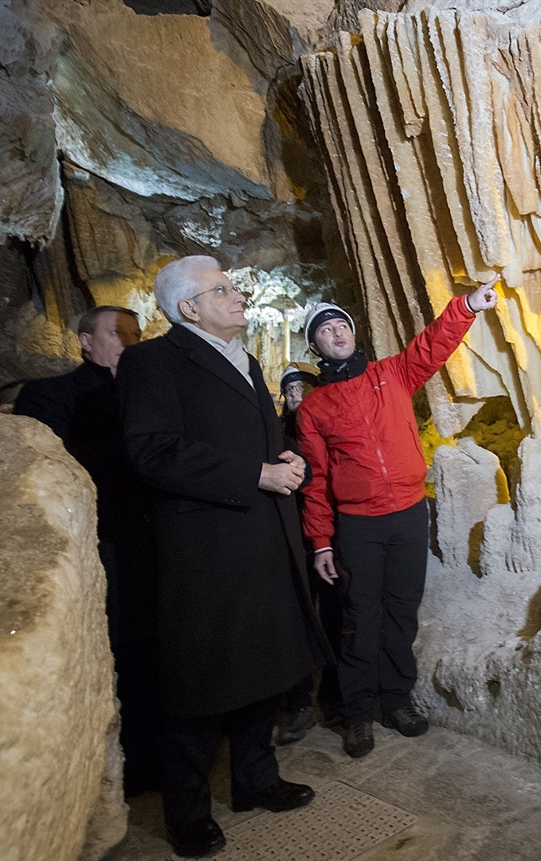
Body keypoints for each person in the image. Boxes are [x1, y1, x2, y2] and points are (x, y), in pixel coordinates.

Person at [116, 256, 332, 859]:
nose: (238, 296)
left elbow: (263, 438)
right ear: (189, 308)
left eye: (234, 287)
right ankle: (185, 813)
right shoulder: (151, 362)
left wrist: (290, 460)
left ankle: (255, 779)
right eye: (223, 289)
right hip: (206, 547)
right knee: (202, 680)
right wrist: (254, 473)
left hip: (263, 536)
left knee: (263, 664)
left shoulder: (247, 361)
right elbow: (152, 450)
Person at [296, 276, 499, 759]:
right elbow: (317, 480)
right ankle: (358, 711)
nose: (335, 333)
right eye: (324, 331)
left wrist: (466, 306)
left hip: (408, 512)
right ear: (315, 346)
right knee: (360, 617)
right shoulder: (314, 408)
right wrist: (321, 540)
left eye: (339, 325)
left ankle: (397, 699)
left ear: (352, 332)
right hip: (359, 524)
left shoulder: (392, 374)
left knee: (401, 611)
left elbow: (433, 346)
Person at [13, 306, 163, 797]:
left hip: (153, 541)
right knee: (114, 650)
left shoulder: (156, 393)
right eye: (117, 333)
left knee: (154, 648)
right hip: (99, 545)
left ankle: (157, 756)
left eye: (135, 335)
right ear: (84, 342)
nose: (129, 342)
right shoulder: (49, 394)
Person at [275, 362, 324, 745]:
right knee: (293, 617)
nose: (296, 394)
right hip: (291, 540)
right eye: (290, 389)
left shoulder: (326, 423)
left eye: (302, 387)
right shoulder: (274, 433)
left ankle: (337, 698)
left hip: (326, 534)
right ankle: (298, 700)